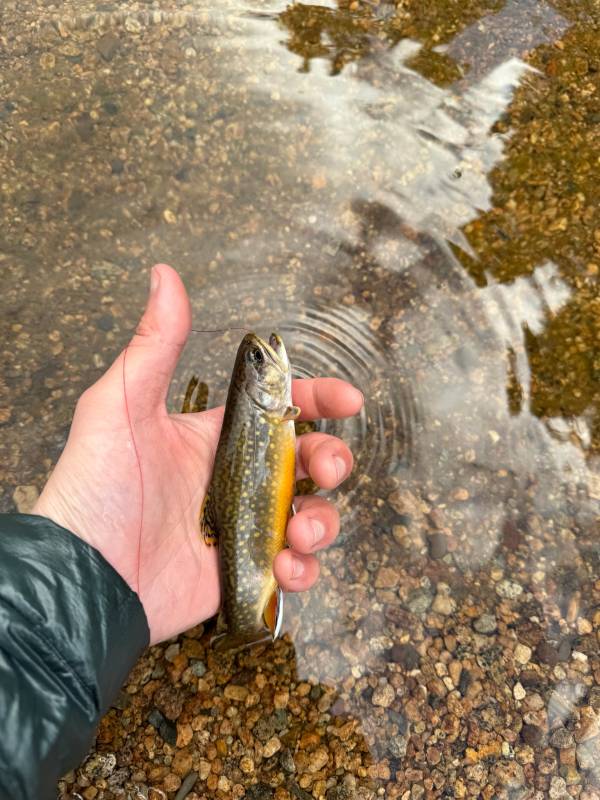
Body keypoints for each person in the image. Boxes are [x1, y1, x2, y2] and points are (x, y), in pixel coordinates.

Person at [0, 265, 363, 800]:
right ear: (258, 389)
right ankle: (248, 626)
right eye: (258, 362)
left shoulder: (275, 415)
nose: (266, 355)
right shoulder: (277, 415)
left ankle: (246, 624)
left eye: (258, 359)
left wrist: (81, 567)